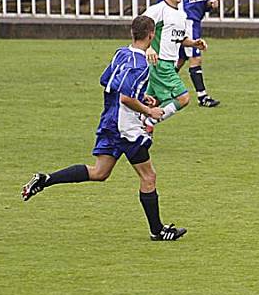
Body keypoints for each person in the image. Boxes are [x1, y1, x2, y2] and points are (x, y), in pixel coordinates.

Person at [21, 16, 187, 241]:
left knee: (100, 172)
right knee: (149, 176)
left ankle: (45, 179)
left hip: (109, 121)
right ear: (151, 35)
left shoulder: (121, 54)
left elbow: (106, 80)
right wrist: (150, 112)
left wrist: (142, 96)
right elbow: (127, 98)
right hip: (125, 128)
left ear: (132, 33)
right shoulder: (140, 65)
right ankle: (157, 231)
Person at [141, 0, 208, 130]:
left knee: (151, 100)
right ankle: (149, 122)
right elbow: (139, 26)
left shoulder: (181, 14)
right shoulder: (158, 10)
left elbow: (179, 38)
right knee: (183, 99)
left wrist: (193, 43)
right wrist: (148, 47)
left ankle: (132, 124)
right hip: (160, 63)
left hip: (168, 63)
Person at [174, 0, 221, 108]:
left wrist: (211, 3)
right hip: (187, 23)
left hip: (196, 23)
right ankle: (202, 96)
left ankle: (156, 89)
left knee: (180, 60)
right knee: (195, 58)